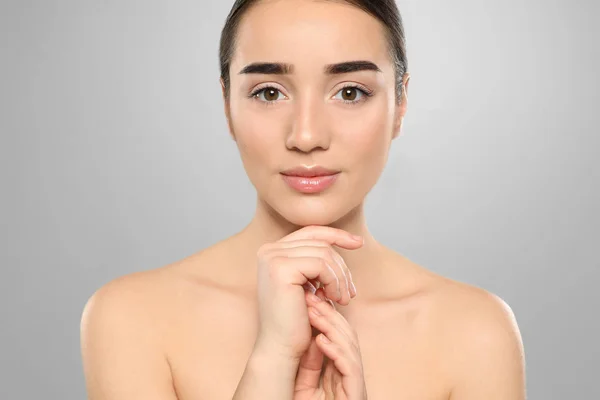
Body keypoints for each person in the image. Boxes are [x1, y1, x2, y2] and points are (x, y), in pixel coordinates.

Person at [80, 0, 526, 399]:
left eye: (350, 92)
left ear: (401, 103)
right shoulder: (132, 318)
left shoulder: (475, 333)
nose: (307, 136)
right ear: (226, 104)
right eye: (269, 92)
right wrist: (269, 364)